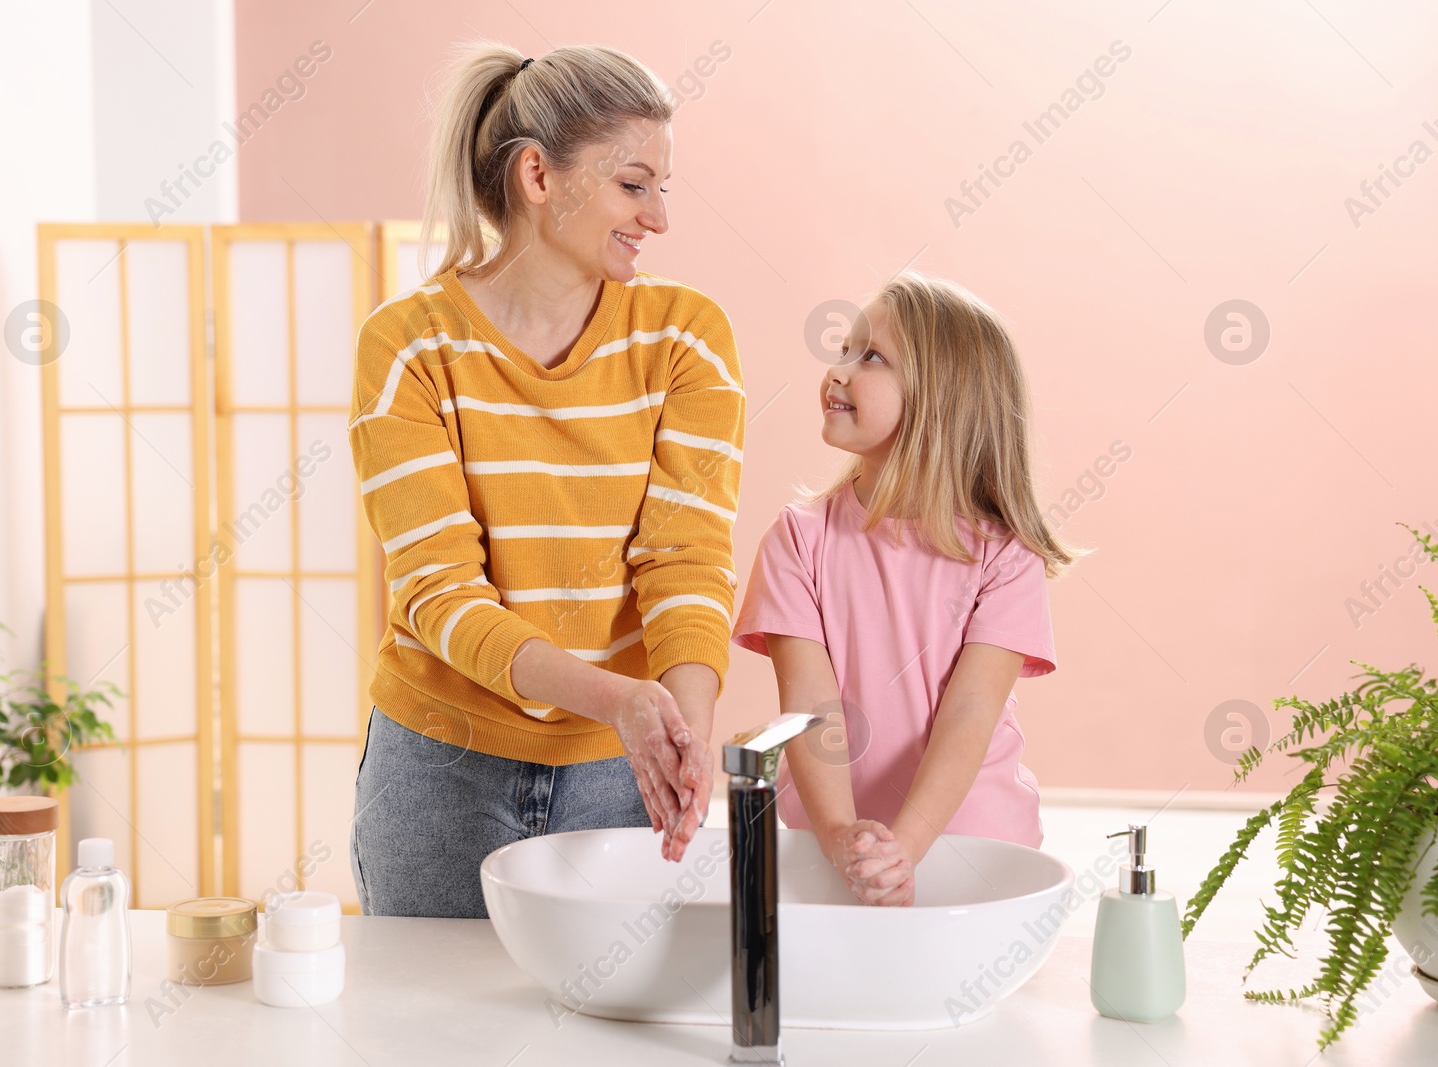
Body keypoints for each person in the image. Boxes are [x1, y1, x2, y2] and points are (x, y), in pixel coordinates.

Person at [347, 42, 745, 919]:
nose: (658, 219)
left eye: (662, 189)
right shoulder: (410, 347)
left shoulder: (685, 340)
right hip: (440, 769)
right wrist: (625, 703)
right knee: (435, 1037)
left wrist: (677, 731)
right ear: (538, 174)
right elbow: (438, 594)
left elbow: (686, 561)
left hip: (621, 766)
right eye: (634, 185)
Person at [730, 272, 1082, 907]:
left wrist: (906, 847)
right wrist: (841, 836)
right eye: (843, 349)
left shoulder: (1005, 556)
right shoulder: (798, 541)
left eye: (870, 357)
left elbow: (969, 714)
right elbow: (811, 707)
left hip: (973, 850)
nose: (836, 371)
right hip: (835, 854)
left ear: (940, 399)